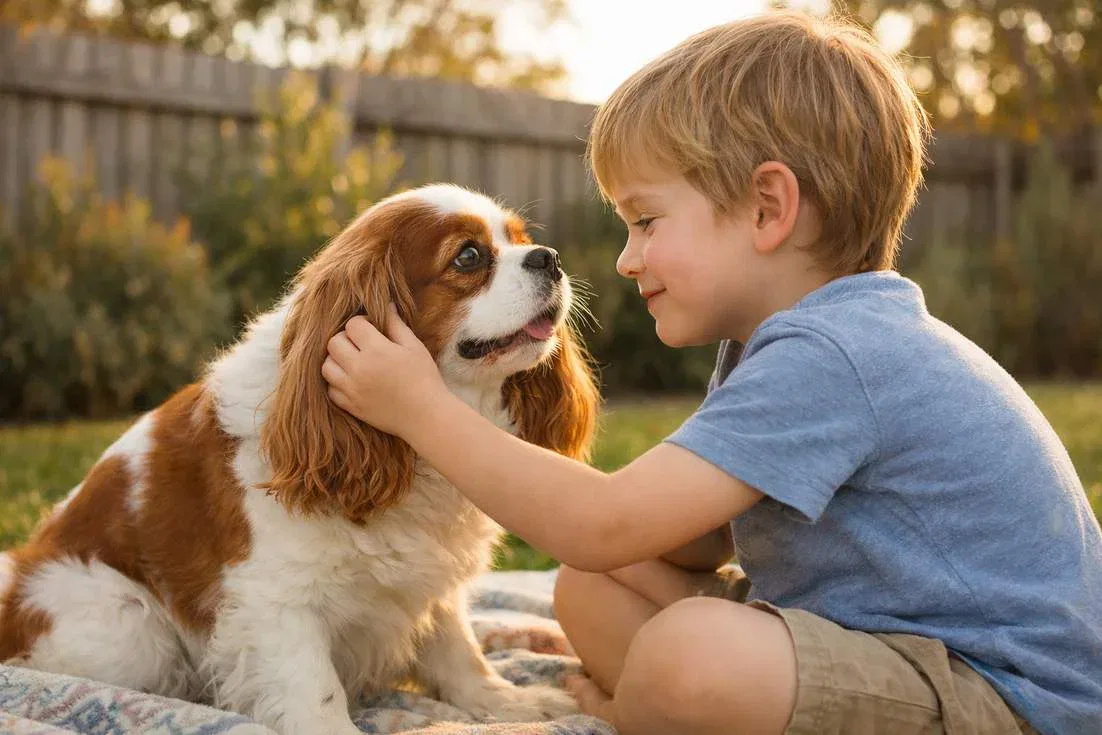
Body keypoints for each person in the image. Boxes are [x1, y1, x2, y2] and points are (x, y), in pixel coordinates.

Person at [320, 9, 1102, 735]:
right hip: (879, 637)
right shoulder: (776, 343)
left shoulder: (834, 355)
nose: (627, 260)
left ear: (769, 208)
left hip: (1004, 692)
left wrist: (421, 408)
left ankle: (646, 708)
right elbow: (686, 541)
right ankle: (667, 707)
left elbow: (602, 520)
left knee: (687, 650)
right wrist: (645, 541)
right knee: (592, 585)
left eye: (646, 222)